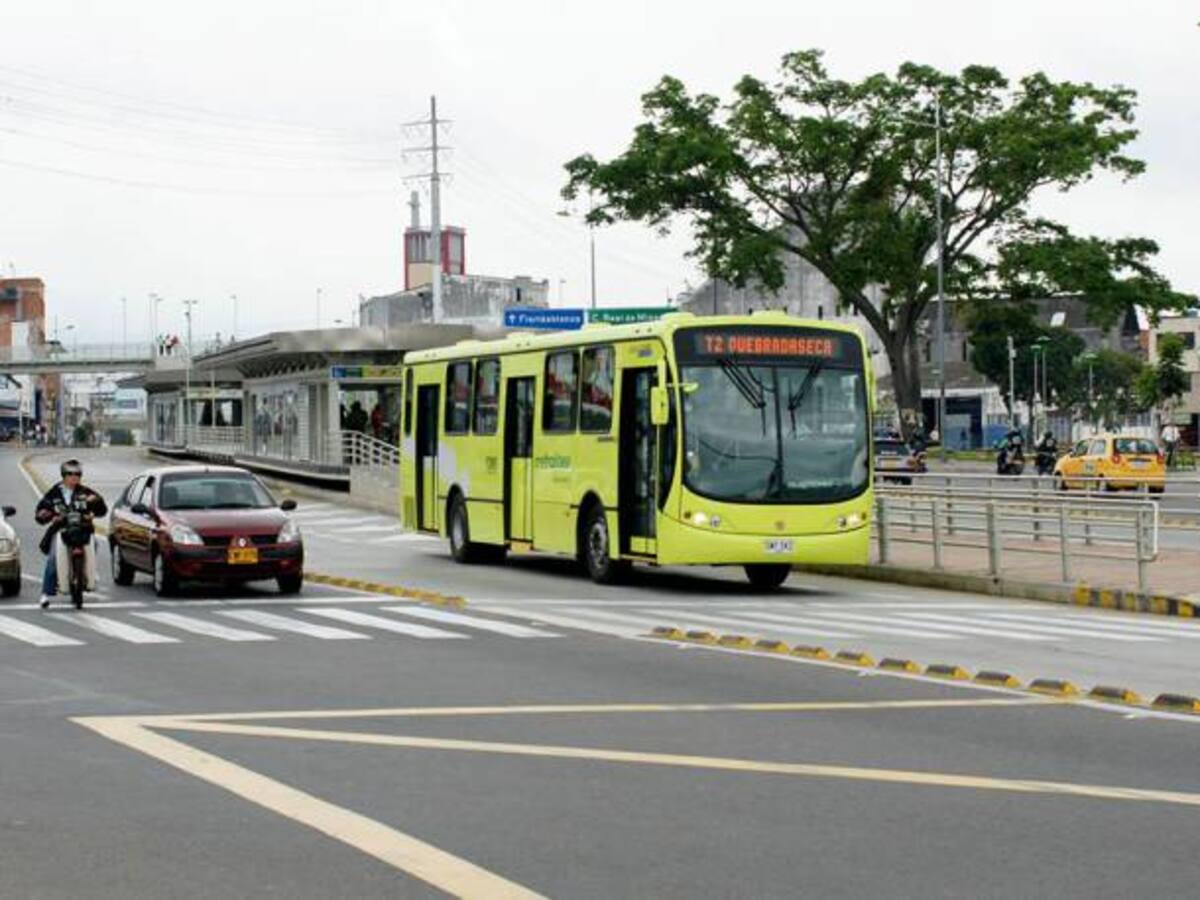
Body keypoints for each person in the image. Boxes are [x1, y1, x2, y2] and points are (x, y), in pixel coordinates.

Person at [35, 459, 107, 608]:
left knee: (95, 544)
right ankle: (45, 593)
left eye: (78, 474)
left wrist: (94, 510)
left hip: (83, 528)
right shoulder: (54, 493)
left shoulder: (86, 492)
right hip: (61, 529)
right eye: (71, 474)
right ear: (63, 475)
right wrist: (48, 515)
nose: (75, 477)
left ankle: (90, 573)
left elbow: (101, 507)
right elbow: (41, 510)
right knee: (53, 557)